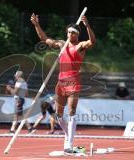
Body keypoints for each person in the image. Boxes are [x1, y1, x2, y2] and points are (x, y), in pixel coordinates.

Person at [31, 13, 96, 154]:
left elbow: (92, 42)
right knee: (58, 115)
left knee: (72, 111)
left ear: (77, 34)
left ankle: (69, 144)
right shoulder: (61, 44)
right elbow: (45, 39)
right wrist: (36, 25)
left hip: (73, 82)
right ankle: (68, 134)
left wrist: (88, 26)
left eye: (73, 32)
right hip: (61, 82)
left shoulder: (80, 46)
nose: (70, 35)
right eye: (68, 32)